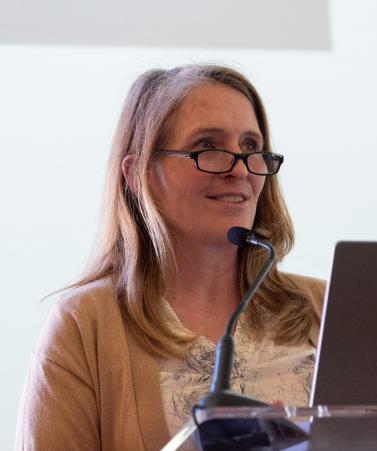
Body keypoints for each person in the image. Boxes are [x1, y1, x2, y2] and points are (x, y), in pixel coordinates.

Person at [16, 64, 325, 450]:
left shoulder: (326, 306)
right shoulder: (83, 324)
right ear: (139, 174)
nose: (239, 170)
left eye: (250, 147)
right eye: (208, 147)